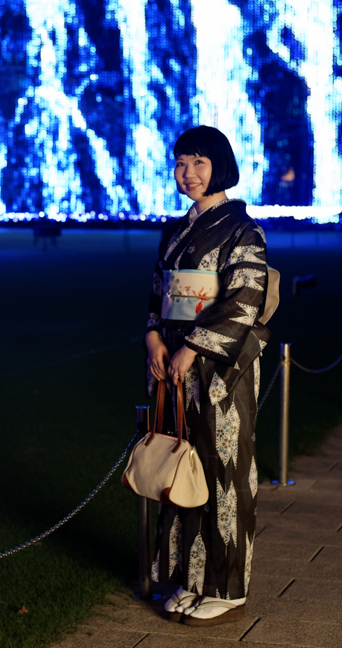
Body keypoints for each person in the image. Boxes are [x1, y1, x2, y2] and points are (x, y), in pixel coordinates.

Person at [143, 126, 271, 627]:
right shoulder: (175, 232)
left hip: (222, 371)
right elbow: (159, 295)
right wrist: (154, 337)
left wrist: (192, 348)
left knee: (224, 470)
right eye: (180, 163)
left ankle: (227, 586)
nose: (188, 173)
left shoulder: (244, 231)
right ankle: (188, 578)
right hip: (175, 365)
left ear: (220, 166)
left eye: (199, 162)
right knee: (182, 469)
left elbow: (245, 301)